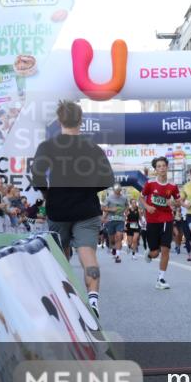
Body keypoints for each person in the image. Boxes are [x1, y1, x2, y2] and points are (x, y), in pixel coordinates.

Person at [31, 100, 115, 316]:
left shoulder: (47, 146)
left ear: (59, 120)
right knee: (88, 254)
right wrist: (88, 189)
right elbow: (108, 179)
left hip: (58, 210)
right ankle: (93, 299)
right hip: (87, 210)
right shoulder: (92, 147)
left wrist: (48, 194)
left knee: (61, 256)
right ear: (81, 121)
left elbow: (37, 176)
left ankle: (65, 301)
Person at [141, 156, 180, 289]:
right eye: (159, 166)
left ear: (167, 167)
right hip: (152, 220)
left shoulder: (173, 186)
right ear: (155, 170)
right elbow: (141, 197)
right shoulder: (150, 184)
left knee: (165, 249)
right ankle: (149, 253)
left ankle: (161, 279)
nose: (162, 168)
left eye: (164, 166)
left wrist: (173, 202)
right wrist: (147, 207)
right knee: (155, 253)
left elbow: (178, 201)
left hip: (166, 218)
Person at [102, 184, 128, 263]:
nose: (118, 193)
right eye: (116, 192)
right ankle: (112, 247)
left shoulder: (124, 198)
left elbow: (127, 206)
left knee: (119, 236)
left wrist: (126, 212)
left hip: (120, 220)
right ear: (114, 191)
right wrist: (111, 209)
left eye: (119, 192)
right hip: (110, 220)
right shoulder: (109, 198)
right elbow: (103, 207)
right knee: (112, 239)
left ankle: (118, 256)